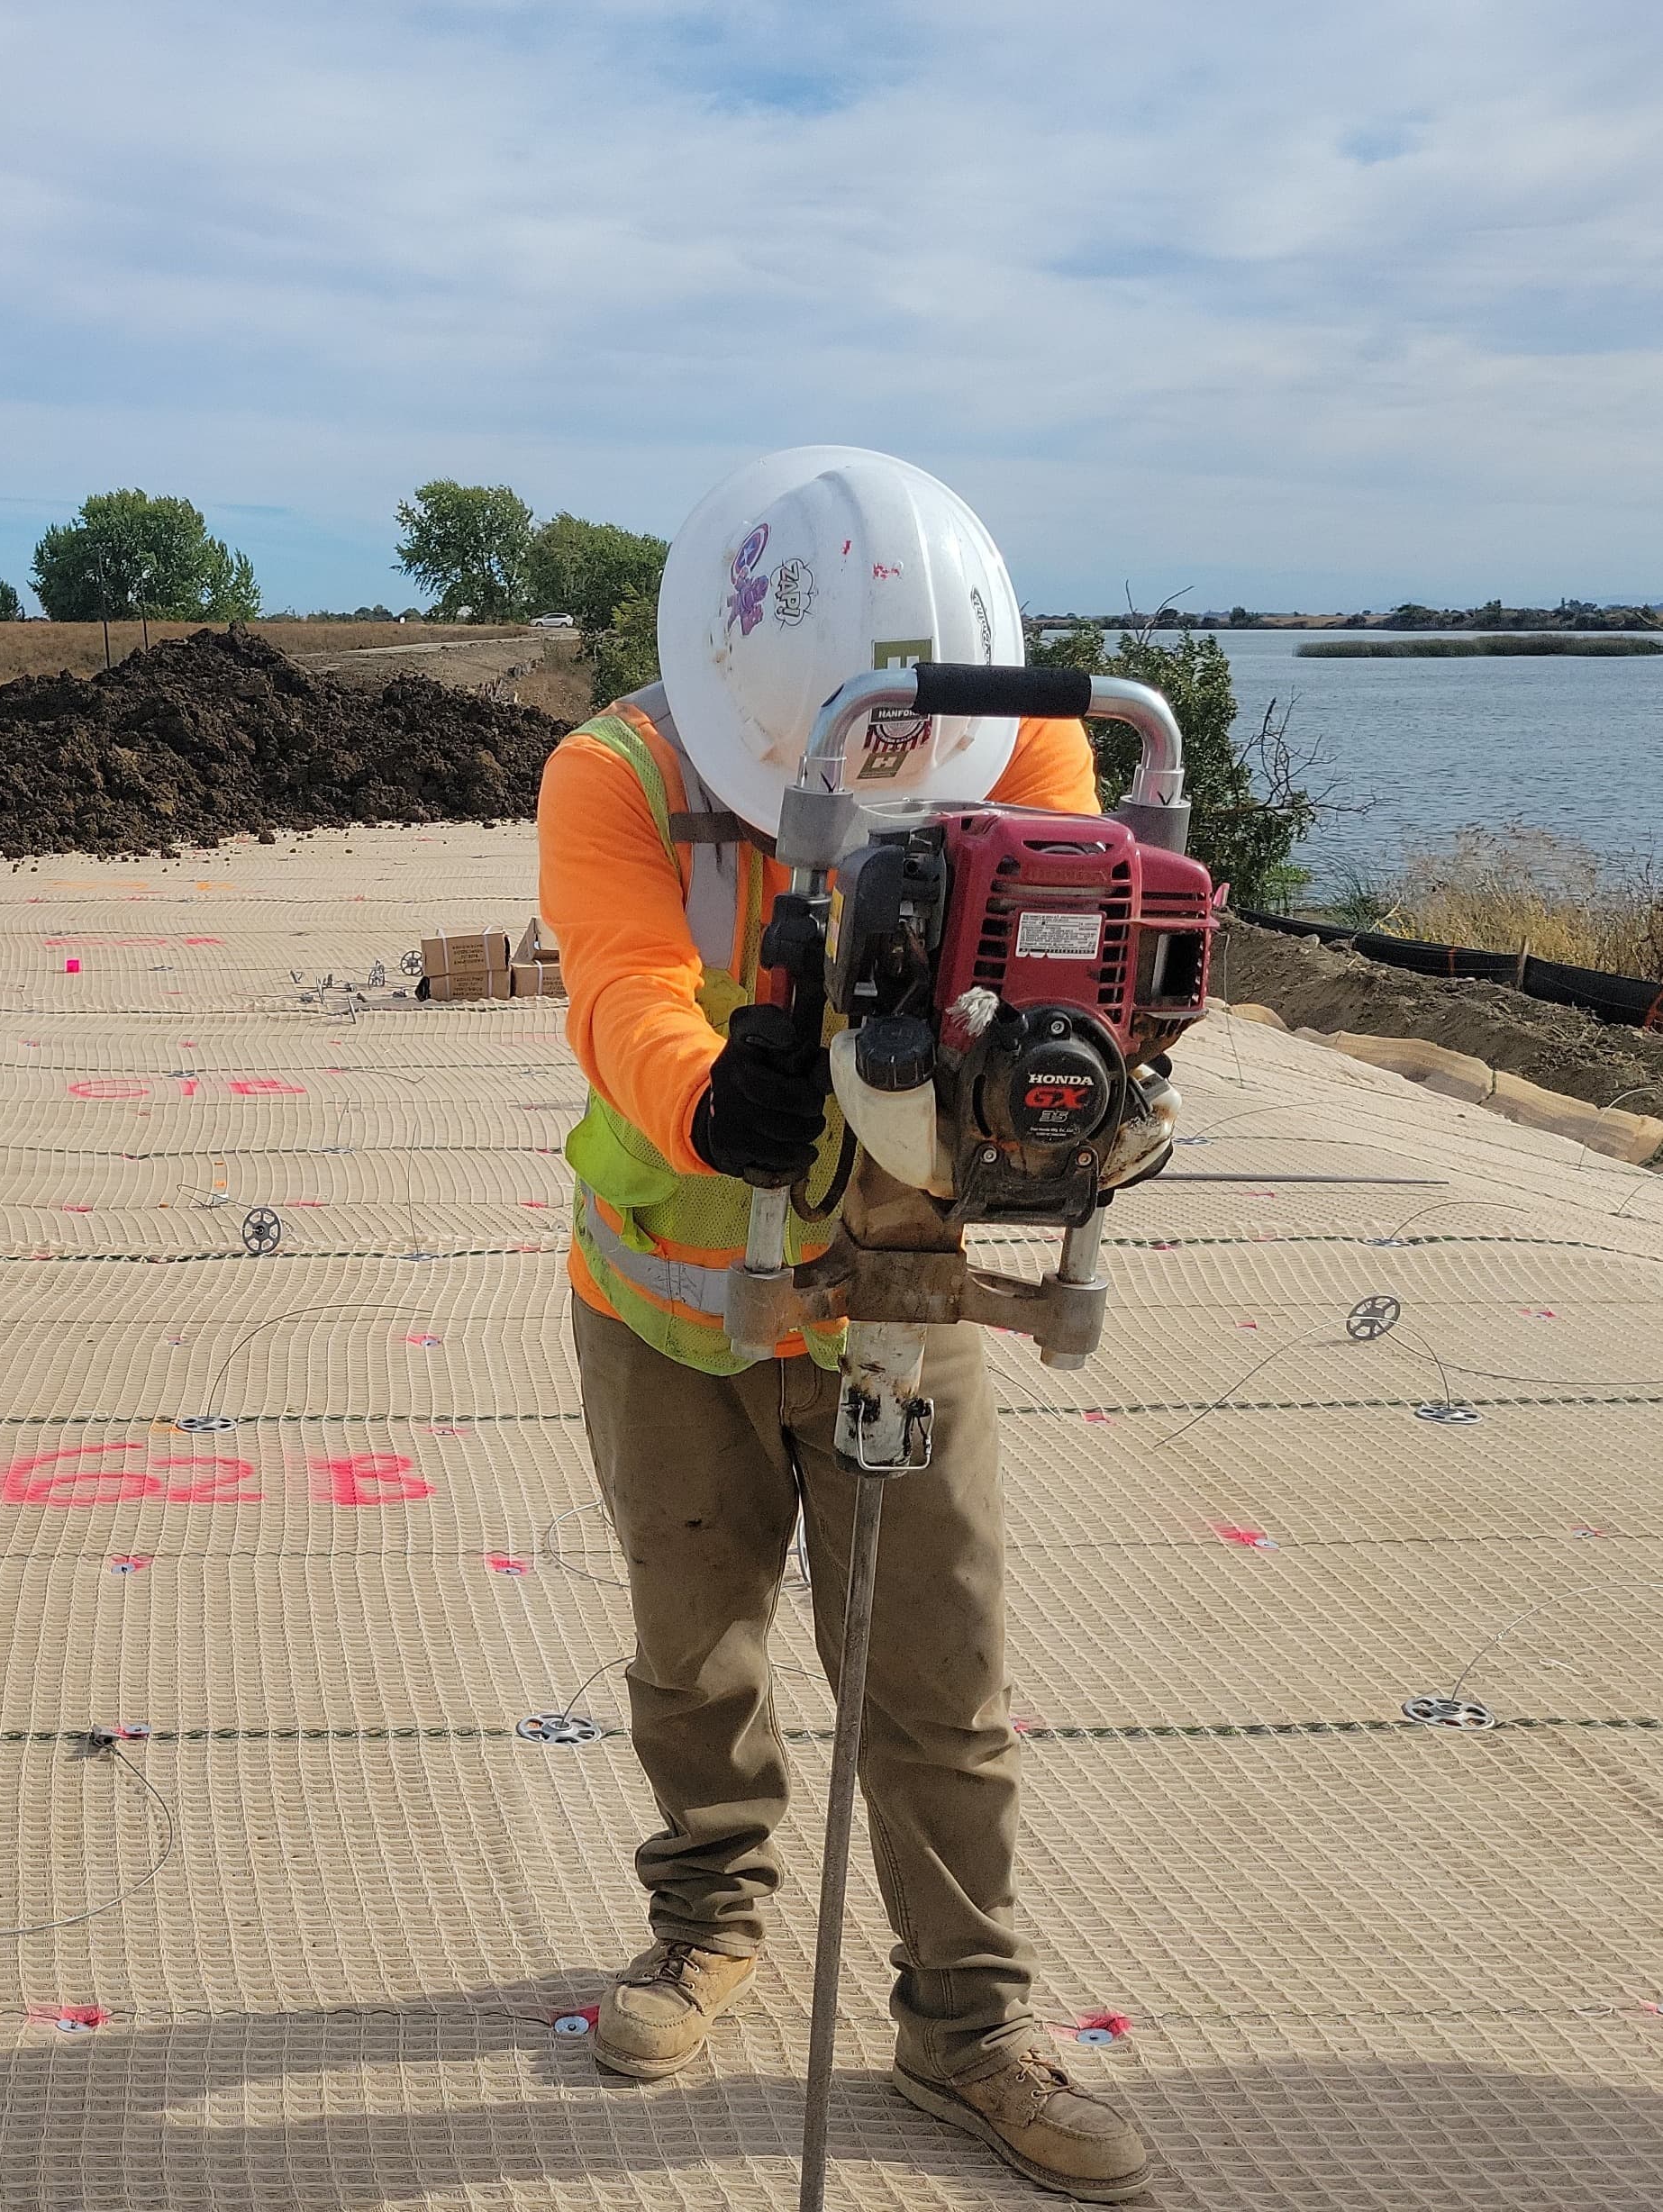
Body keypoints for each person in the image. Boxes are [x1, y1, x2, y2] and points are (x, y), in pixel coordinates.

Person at [536, 448, 1153, 2203]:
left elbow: (1084, 935)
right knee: (694, 1645)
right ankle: (707, 1916)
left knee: (937, 1668)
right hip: (671, 1302)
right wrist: (701, 1092)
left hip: (902, 1277)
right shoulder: (617, 773)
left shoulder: (1016, 746)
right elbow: (617, 978)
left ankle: (966, 2020)